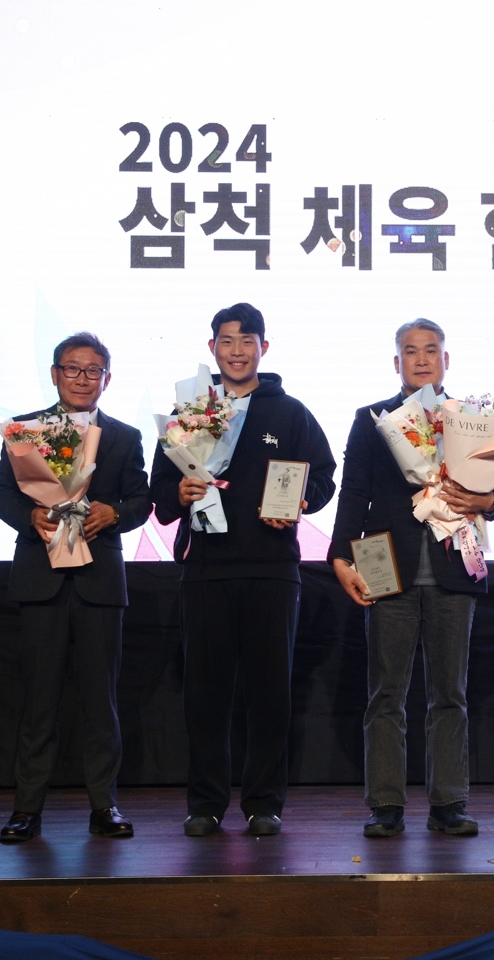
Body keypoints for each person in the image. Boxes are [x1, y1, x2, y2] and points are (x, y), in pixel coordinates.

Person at [151, 303, 336, 838]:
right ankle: (205, 803)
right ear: (212, 348)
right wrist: (179, 492)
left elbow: (324, 477)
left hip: (272, 568)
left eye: (247, 341)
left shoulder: (291, 413)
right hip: (205, 568)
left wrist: (299, 500)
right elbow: (159, 491)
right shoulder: (190, 412)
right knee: (204, 693)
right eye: (227, 341)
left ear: (263, 348)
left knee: (270, 692)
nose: (237, 351)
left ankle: (263, 803)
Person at [328, 319, 494, 838]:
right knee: (386, 693)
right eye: (411, 351)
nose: (422, 359)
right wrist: (339, 556)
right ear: (397, 362)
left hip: (455, 565)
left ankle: (449, 802)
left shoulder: (471, 420)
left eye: (431, 351)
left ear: (446, 360)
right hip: (386, 563)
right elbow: (353, 491)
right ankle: (385, 803)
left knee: (450, 693)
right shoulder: (372, 419)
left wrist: (489, 501)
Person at [0, 332, 151, 842]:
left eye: (93, 370)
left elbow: (141, 500)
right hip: (42, 581)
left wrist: (114, 513)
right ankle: (26, 809)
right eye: (73, 369)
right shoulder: (26, 431)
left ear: (107, 378)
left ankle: (105, 805)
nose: (83, 378)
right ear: (56, 374)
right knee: (38, 702)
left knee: (101, 702)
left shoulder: (123, 436)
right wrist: (29, 516)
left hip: (99, 582)